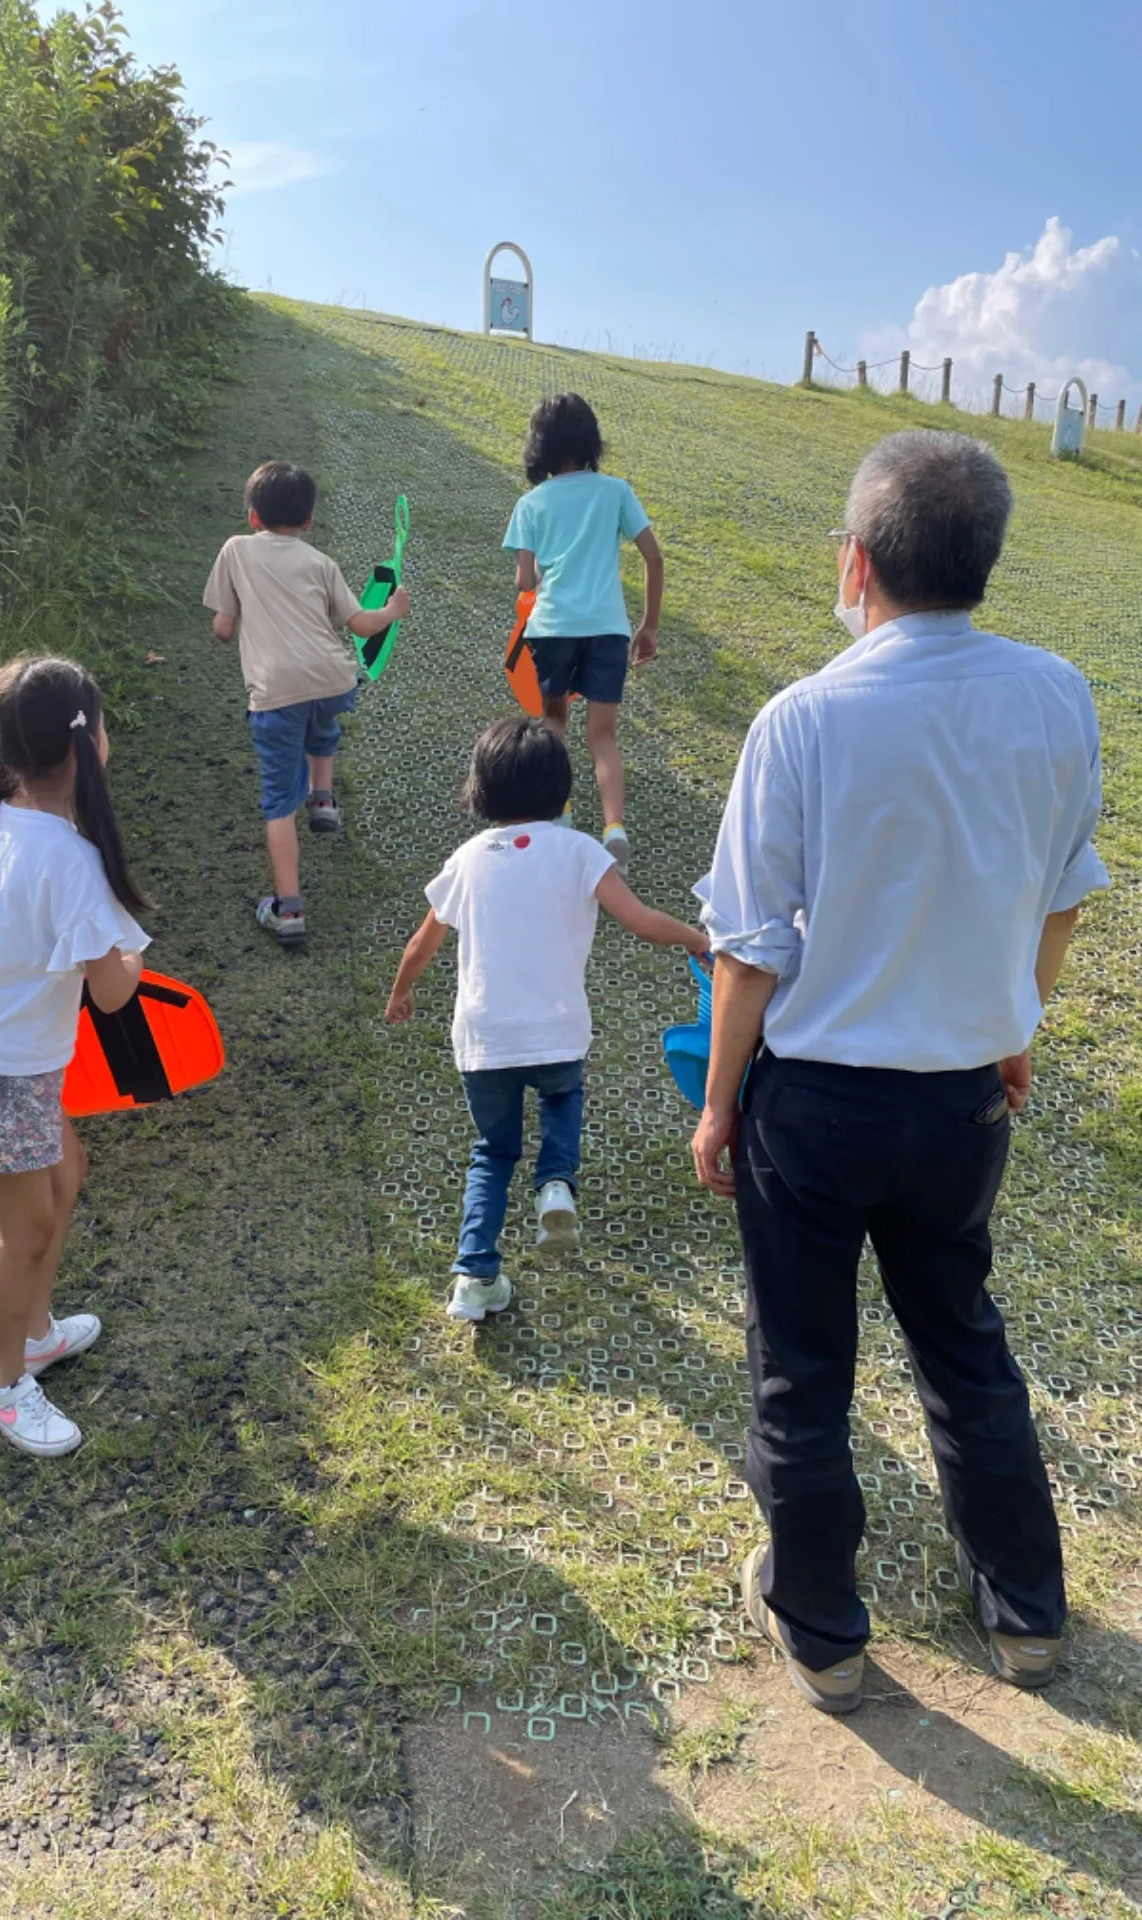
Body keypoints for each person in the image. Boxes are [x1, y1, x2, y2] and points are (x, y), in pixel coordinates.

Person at [690, 430, 1109, 1713]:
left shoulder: (804, 717)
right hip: (964, 1097)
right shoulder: (1059, 695)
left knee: (800, 1364)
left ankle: (821, 1628)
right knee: (962, 1339)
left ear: (855, 561)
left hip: (812, 1105)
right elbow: (1061, 899)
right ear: (985, 558)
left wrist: (717, 1107)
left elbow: (749, 952)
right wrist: (1013, 1024)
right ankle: (1026, 1610)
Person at [387, 717, 707, 1321]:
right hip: (557, 1033)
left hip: (484, 1039)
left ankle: (475, 1277)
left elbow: (420, 944)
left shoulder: (468, 859)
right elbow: (638, 919)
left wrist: (401, 994)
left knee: (493, 1150)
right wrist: (695, 937)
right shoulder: (581, 852)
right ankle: (556, 1185)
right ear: (562, 791)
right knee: (562, 1101)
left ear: (481, 789)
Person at [0, 656, 151, 1458]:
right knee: (26, 1230)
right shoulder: (72, 858)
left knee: (65, 1172)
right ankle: (3, 1383)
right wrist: (130, 956)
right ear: (87, 746)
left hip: (3, 1052)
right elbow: (116, 995)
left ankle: (38, 1331)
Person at [203, 461, 410, 943]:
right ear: (309, 523)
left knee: (278, 802)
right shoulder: (321, 563)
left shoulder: (235, 550)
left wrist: (226, 629)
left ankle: (289, 910)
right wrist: (394, 609)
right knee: (322, 726)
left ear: (252, 516)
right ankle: (323, 799)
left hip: (276, 692)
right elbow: (360, 626)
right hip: (335, 678)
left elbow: (222, 626)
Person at [503, 393, 663, 875]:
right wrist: (649, 625)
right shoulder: (615, 491)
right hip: (608, 629)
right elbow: (654, 557)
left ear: (540, 447)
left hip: (552, 629)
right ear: (591, 439)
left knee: (554, 726)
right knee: (604, 736)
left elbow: (525, 581)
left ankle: (562, 814)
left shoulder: (530, 504)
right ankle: (614, 828)